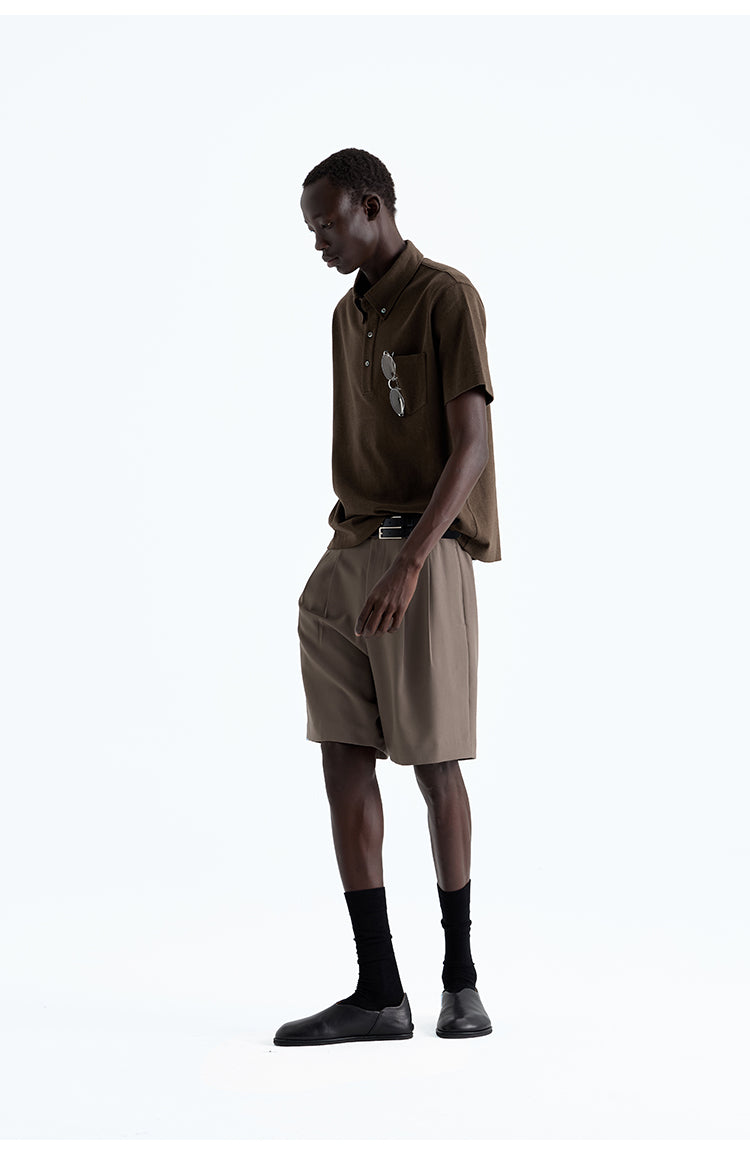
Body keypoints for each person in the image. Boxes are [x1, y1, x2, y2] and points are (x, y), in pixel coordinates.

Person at [274, 148, 501, 1047]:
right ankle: (378, 989)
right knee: (340, 753)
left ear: (372, 206)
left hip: (423, 550)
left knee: (434, 764)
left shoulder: (446, 297)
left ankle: (460, 980)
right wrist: (356, 556)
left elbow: (472, 445)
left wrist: (412, 564)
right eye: (311, 229)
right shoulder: (346, 314)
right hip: (350, 549)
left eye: (327, 223)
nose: (319, 243)